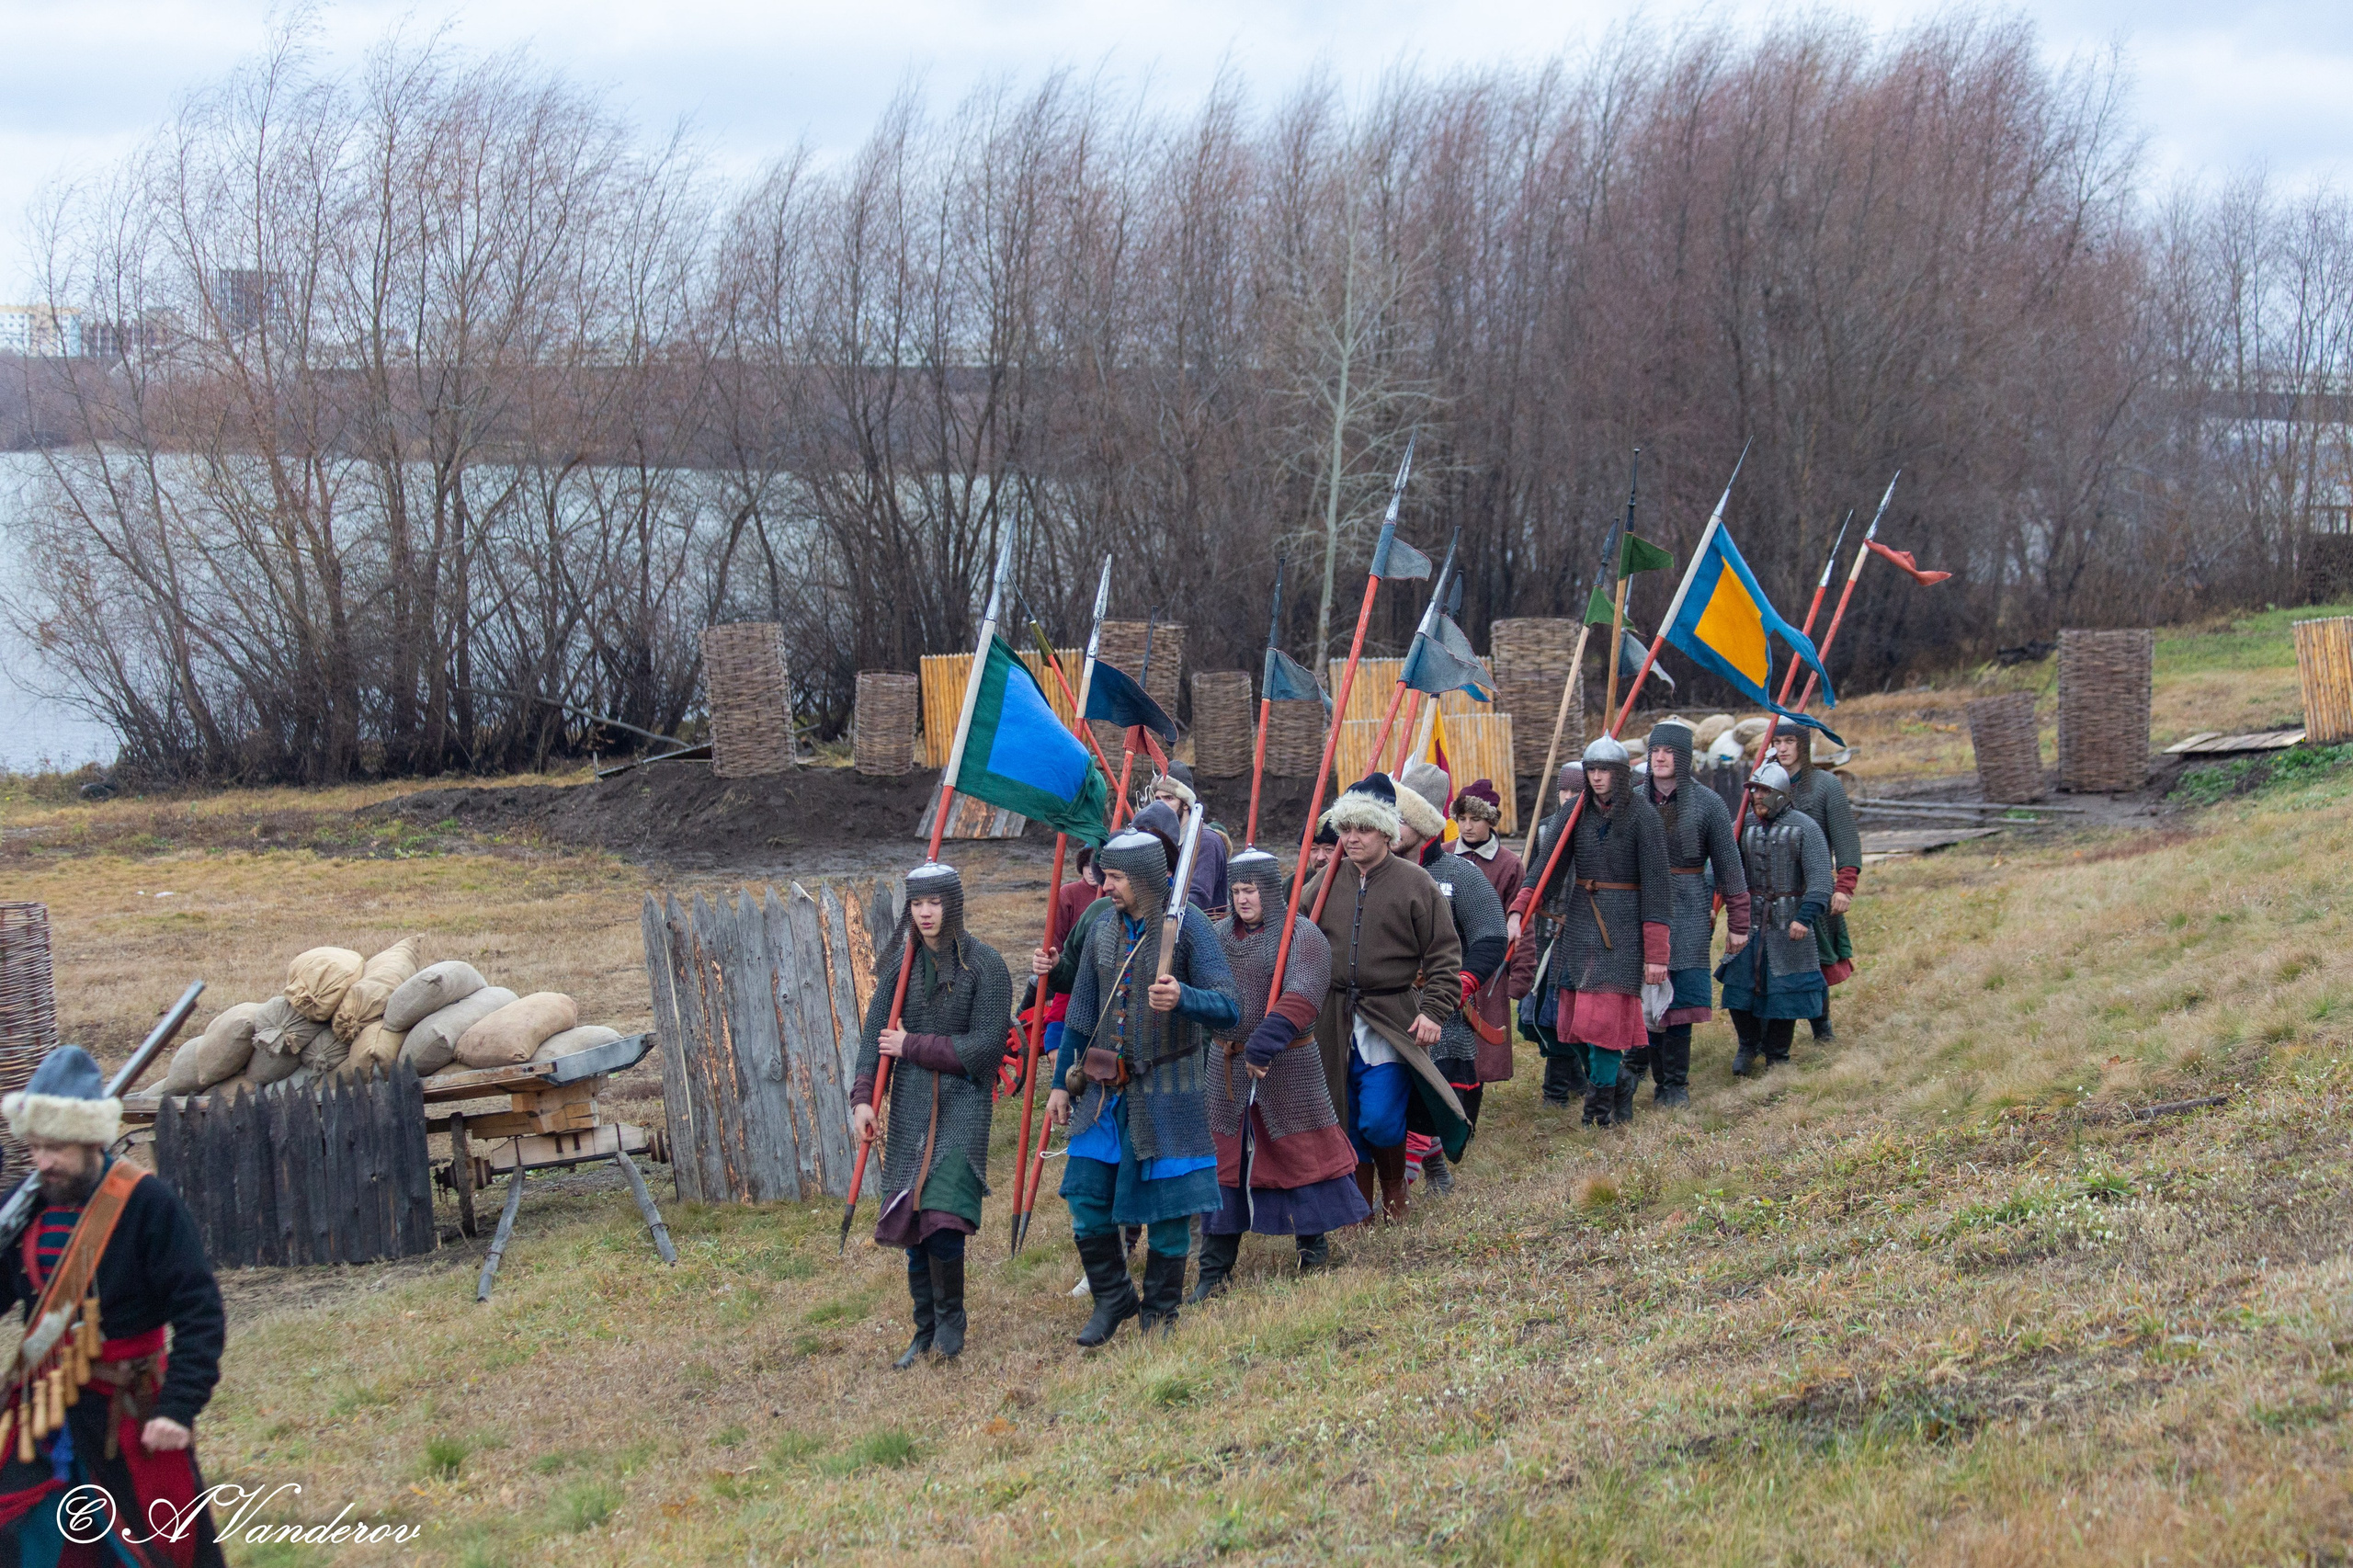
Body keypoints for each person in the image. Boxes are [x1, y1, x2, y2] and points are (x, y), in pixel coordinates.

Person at [0, 1046, 228, 1567]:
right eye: (35, 1147)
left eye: (55, 1148)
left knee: (162, 1549)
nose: (43, 1162)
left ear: (90, 1140)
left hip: (128, 1412)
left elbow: (200, 1313)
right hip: (44, 1412)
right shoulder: (27, 1205)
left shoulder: (148, 1204)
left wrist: (178, 1407)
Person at [1047, 826, 1242, 1344]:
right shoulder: (1100, 929)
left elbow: (1229, 1008)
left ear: (1146, 879)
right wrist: (1060, 1085)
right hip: (1105, 1092)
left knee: (1169, 1208)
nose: (1104, 886)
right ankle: (1113, 1296)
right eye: (1105, 876)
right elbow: (1082, 1013)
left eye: (1114, 878)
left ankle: (1161, 1314)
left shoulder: (1191, 927)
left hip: (1169, 1091)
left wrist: (1184, 997)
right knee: (1085, 1195)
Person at [851, 861, 1013, 1368]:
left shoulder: (986, 967)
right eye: (918, 903)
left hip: (962, 1107)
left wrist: (912, 1044)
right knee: (913, 1220)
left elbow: (985, 1049)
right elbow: (876, 1041)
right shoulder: (900, 970)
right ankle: (923, 1329)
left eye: (935, 902)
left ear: (953, 904)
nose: (925, 912)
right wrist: (863, 1099)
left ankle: (951, 1324)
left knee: (943, 1214)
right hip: (911, 1111)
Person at [1193, 848, 1367, 1296]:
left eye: (1249, 890)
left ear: (1269, 888)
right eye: (1235, 891)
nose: (1241, 899)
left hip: (1288, 1064)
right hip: (1227, 1065)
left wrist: (1266, 1041)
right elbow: (1200, 989)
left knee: (1299, 1155)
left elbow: (1305, 994)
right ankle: (1214, 1272)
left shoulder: (1301, 935)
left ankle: (1313, 1249)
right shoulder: (1216, 937)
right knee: (1225, 1165)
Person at [1306, 773, 1470, 1224]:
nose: (1351, 838)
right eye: (1346, 828)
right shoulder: (1323, 882)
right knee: (1345, 1114)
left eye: (1363, 828)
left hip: (1390, 1017)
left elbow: (1444, 954)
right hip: (1333, 1018)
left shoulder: (1416, 883)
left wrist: (1435, 1010)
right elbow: (1294, 933)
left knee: (1379, 1118)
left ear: (1386, 831)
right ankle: (1359, 1208)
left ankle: (1395, 1189)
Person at [1513, 737, 1669, 1128]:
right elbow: (1545, 868)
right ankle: (1620, 1082)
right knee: (1575, 1027)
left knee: (1603, 1025)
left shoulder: (1644, 817)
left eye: (1604, 771)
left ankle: (1596, 1113)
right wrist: (1519, 909)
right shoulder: (1574, 813)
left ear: (1619, 774)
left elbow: (1657, 890)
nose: (1597, 778)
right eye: (1592, 770)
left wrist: (1656, 954)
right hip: (1580, 927)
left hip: (1623, 932)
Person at [1394, 763, 1506, 1197]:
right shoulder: (1373, 873)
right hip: (1386, 1003)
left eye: (1403, 817)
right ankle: (1431, 1166)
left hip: (1439, 1008)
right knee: (1394, 1098)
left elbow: (1490, 938)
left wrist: (1458, 985)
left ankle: (1409, 1184)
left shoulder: (1460, 875)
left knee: (1429, 1096)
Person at [1635, 722, 1750, 1106]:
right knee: (1648, 999)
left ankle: (1676, 1085)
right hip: (1640, 907)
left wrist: (1738, 922)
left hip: (1688, 907)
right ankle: (1656, 1079)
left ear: (1682, 757)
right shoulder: (1632, 801)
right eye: (1655, 751)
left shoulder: (1708, 804)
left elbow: (1730, 867)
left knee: (1680, 998)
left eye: (1668, 751)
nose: (1661, 757)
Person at [1719, 761, 1833, 1074]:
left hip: (1788, 923)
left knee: (1786, 994)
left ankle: (1777, 1055)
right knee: (1738, 986)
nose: (1757, 796)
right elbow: (1725, 870)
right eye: (1754, 790)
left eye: (1764, 790)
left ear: (1781, 794)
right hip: (1750, 921)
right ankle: (1747, 1044)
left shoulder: (1805, 827)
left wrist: (1804, 918)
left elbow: (1821, 879)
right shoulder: (1744, 827)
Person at [1768, 731, 1860, 1041]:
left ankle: (1822, 1029)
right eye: (1777, 743)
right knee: (1771, 962)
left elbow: (1845, 837)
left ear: (1803, 746)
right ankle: (1772, 1037)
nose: (1782, 749)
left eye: (1789, 742)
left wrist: (1844, 886)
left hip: (1813, 886)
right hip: (1772, 891)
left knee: (1816, 960)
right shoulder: (1765, 783)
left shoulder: (1825, 786)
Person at [1519, 759, 1590, 1108]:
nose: (1568, 797)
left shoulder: (1596, 829)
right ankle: (1575, 1077)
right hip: (1545, 930)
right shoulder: (1544, 830)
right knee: (1535, 1015)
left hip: (1582, 932)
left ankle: (1557, 1090)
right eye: (1563, 790)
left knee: (1565, 1012)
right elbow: (1530, 880)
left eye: (1576, 791)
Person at [1151, 765, 1230, 918]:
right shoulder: (1161, 840)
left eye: (1169, 798)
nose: (1161, 805)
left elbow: (1197, 899)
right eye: (1157, 799)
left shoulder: (1206, 841)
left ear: (1186, 803)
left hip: (1200, 931)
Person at [1449, 779, 1523, 907]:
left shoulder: (1510, 864)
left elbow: (1518, 919)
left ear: (1490, 820)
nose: (1467, 827)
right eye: (1462, 819)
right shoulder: (1442, 854)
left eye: (1475, 819)